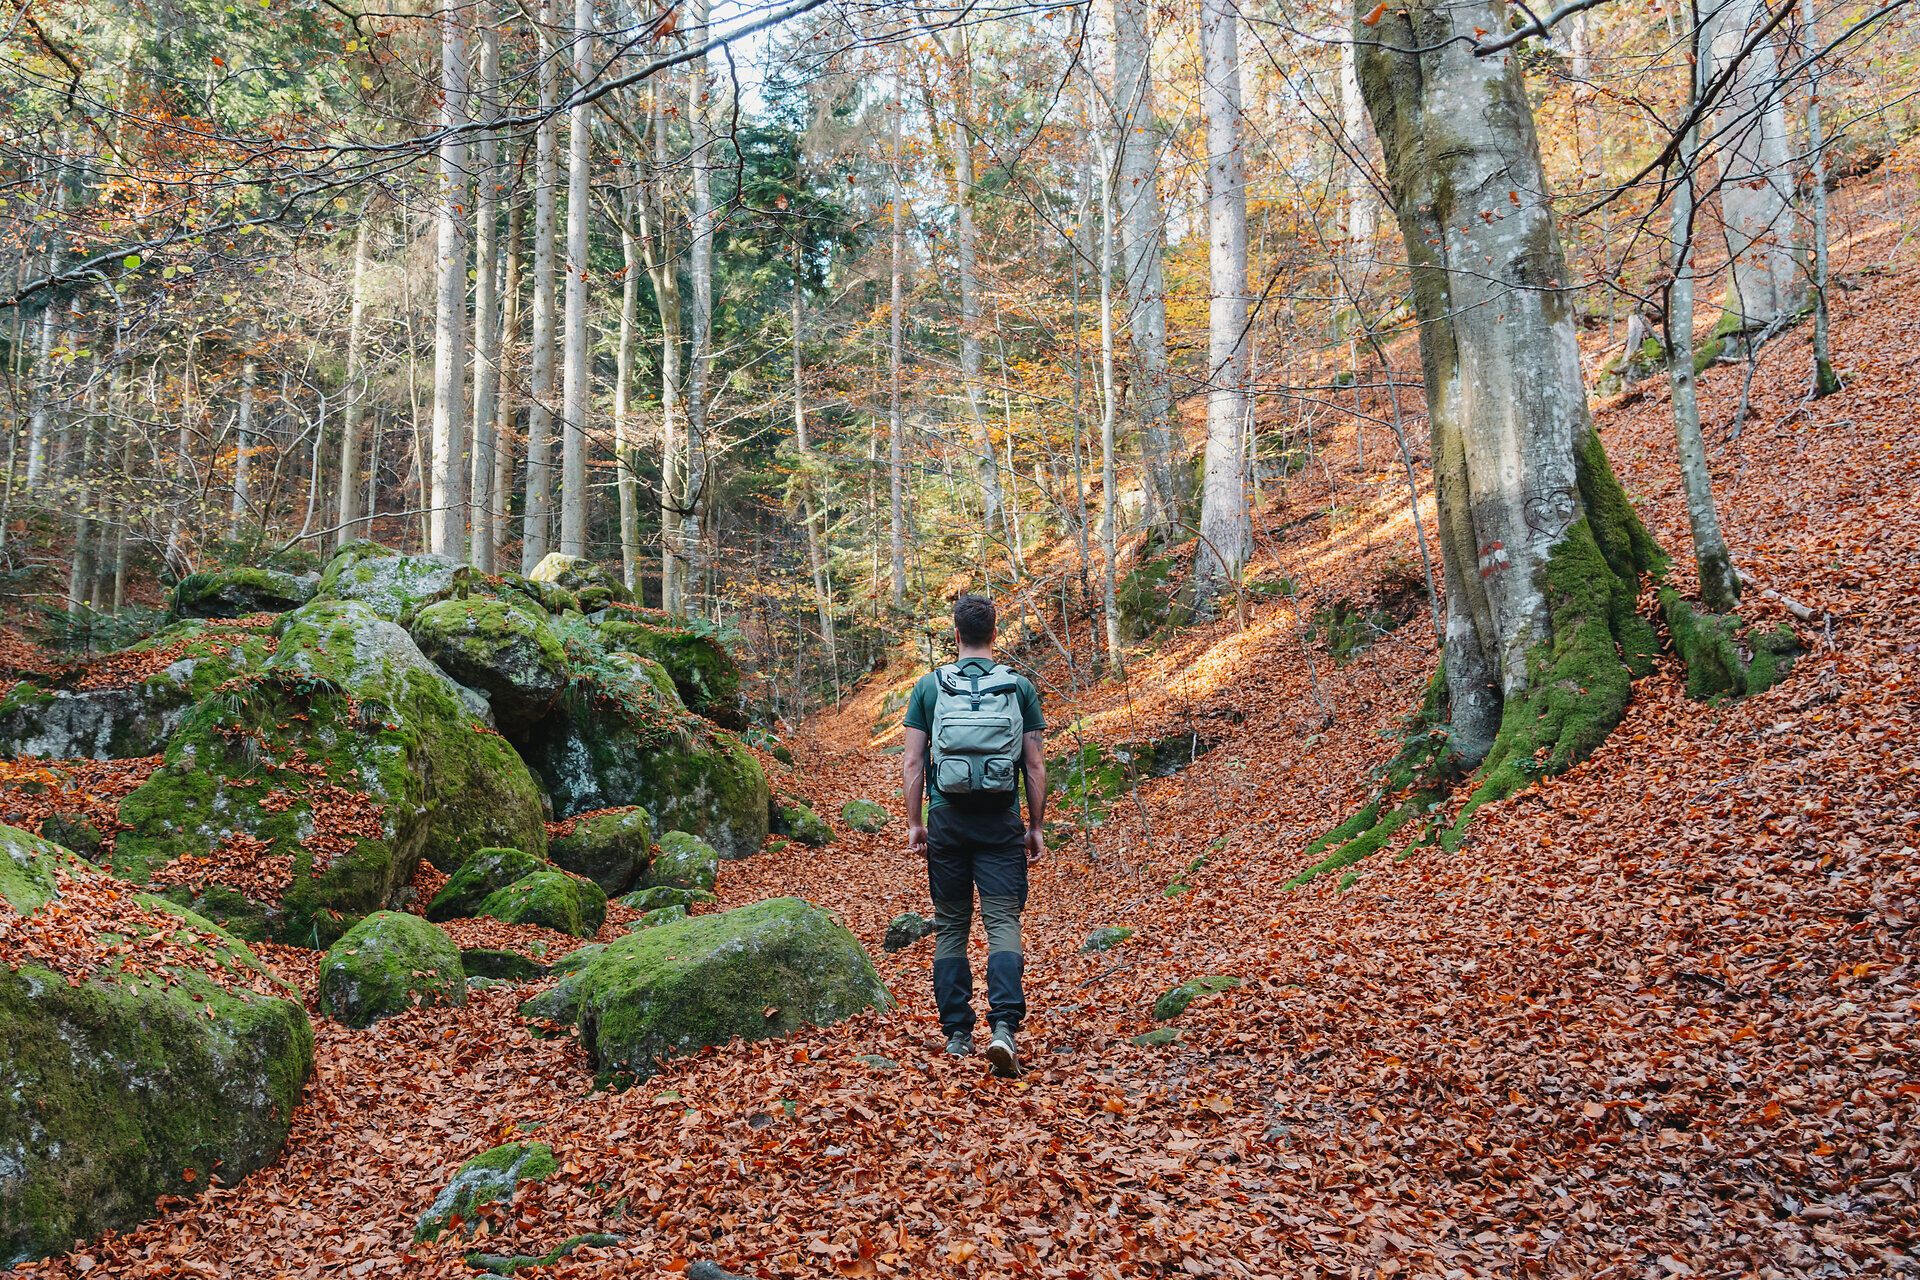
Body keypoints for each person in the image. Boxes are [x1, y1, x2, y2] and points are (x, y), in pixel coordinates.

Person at [903, 593, 1046, 1077]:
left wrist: (916, 823)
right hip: (1000, 819)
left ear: (957, 634)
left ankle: (958, 1035)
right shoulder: (1018, 687)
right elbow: (1034, 764)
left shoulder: (929, 686)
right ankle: (1003, 1027)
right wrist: (1036, 826)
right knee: (1003, 922)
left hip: (947, 819)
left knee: (951, 924)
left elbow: (912, 763)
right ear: (994, 633)